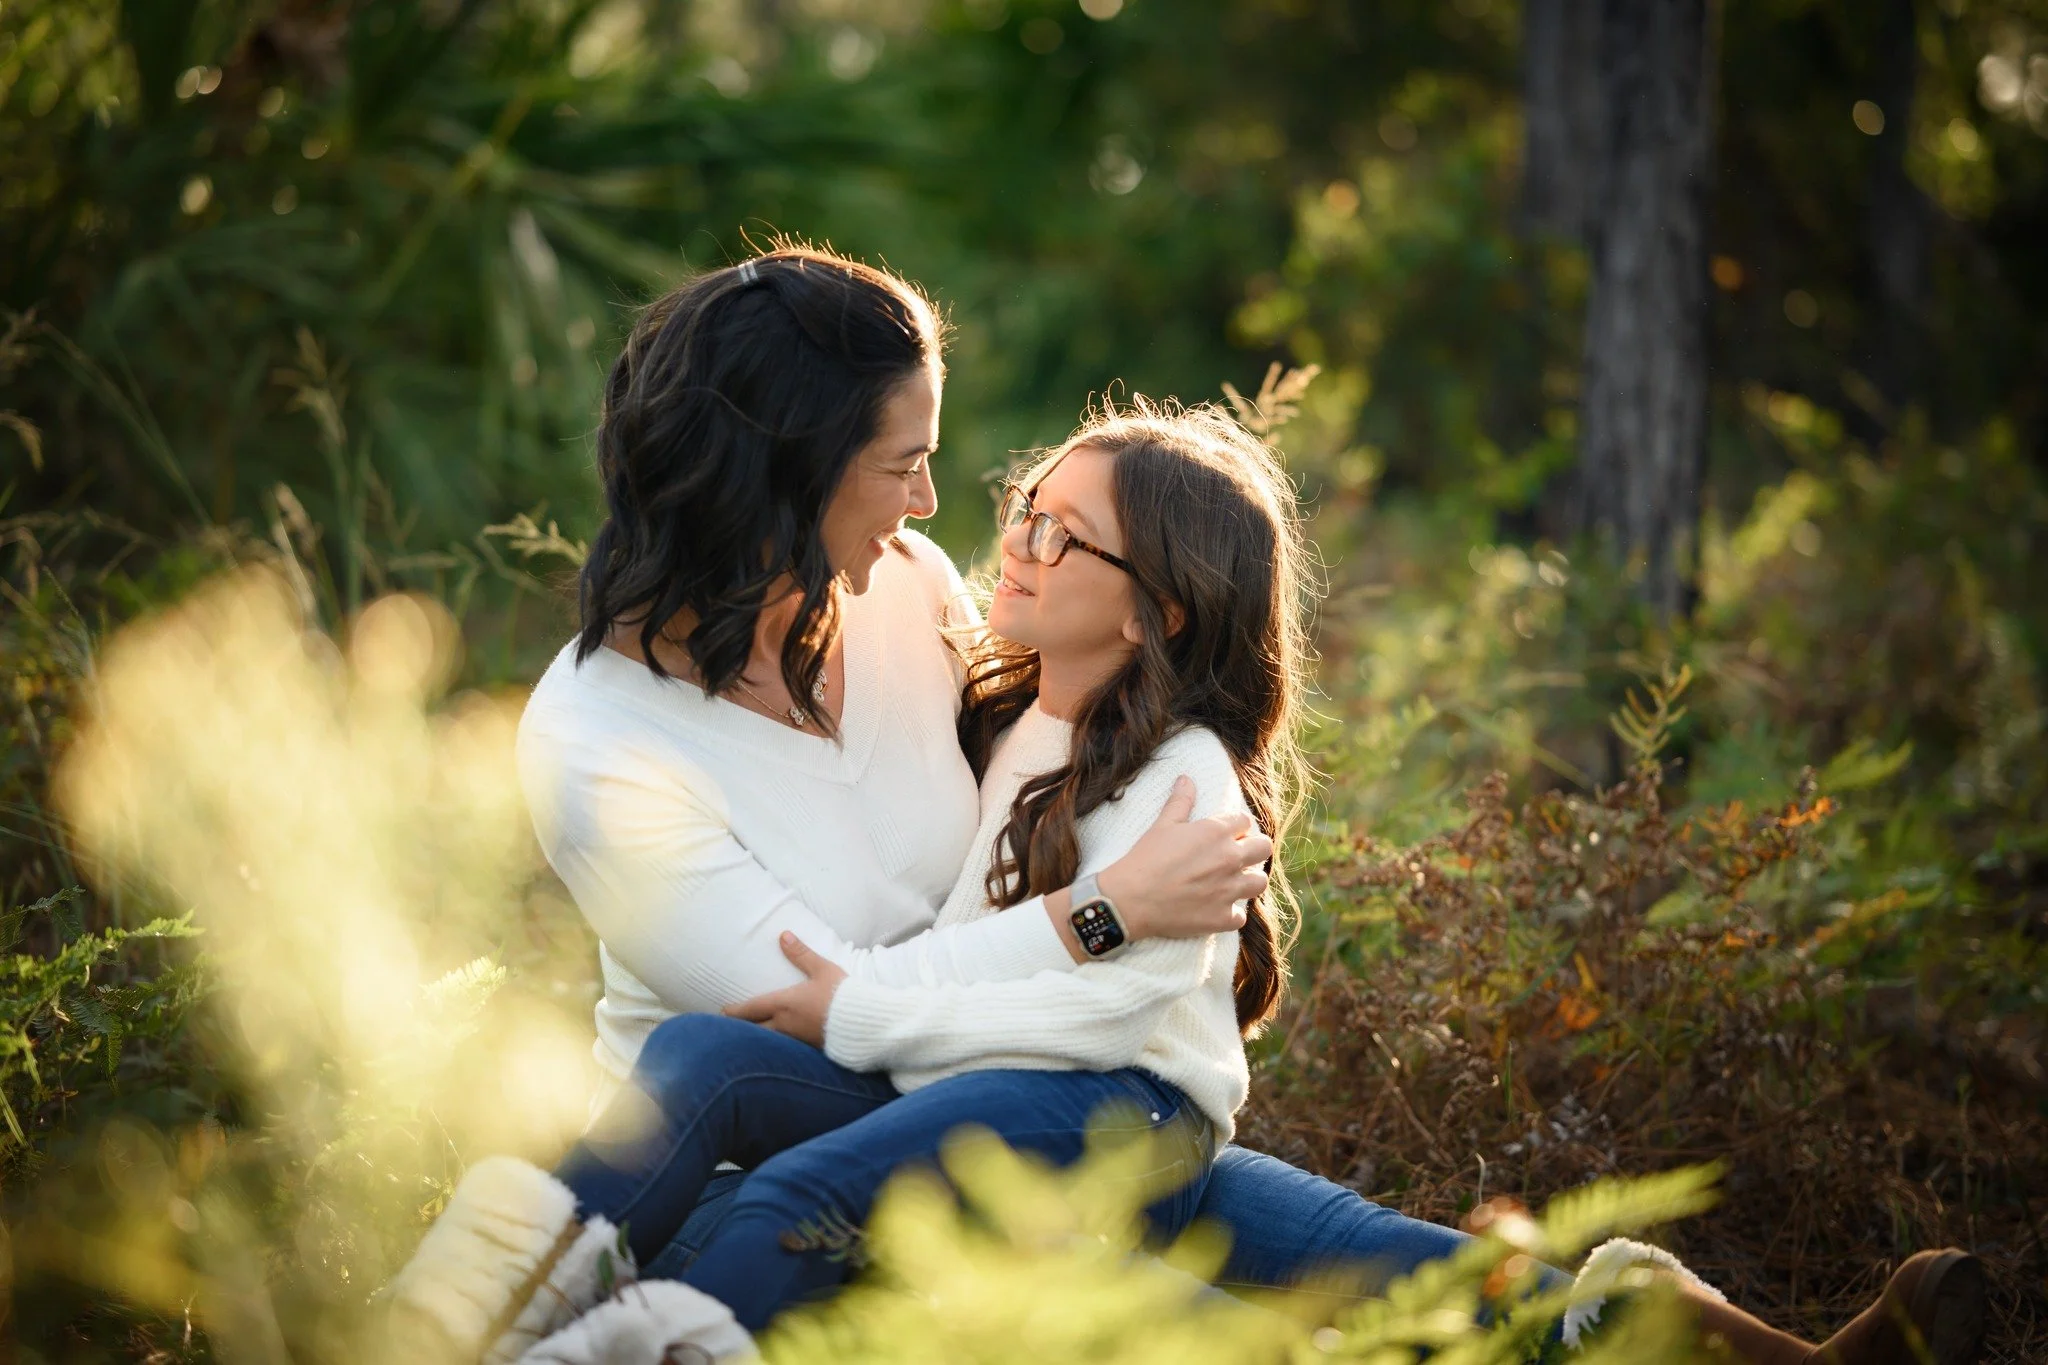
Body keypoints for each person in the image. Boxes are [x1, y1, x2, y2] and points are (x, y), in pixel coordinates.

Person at [382, 248, 1987, 1365]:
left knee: (1299, 1229)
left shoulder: (900, 592)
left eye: (957, 471)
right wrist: (1104, 919)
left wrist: (1133, 892)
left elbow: (1076, 743)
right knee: (1200, 1264)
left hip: (1007, 1088)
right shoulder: (600, 738)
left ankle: (1759, 1355)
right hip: (795, 1157)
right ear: (776, 481)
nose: (942, 514)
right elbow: (810, 1024)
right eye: (901, 467)